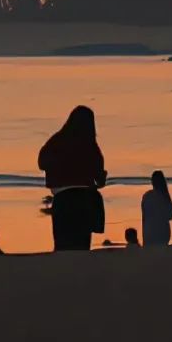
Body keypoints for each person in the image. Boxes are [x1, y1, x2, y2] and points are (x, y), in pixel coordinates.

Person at [37, 105, 107, 252]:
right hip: (85, 199)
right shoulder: (91, 145)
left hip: (63, 198)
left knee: (62, 245)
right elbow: (99, 177)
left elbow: (42, 163)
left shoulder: (57, 140)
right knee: (82, 246)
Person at [141, 170, 172, 247]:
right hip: (162, 234)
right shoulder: (164, 196)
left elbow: (144, 218)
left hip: (149, 233)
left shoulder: (146, 196)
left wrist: (144, 237)